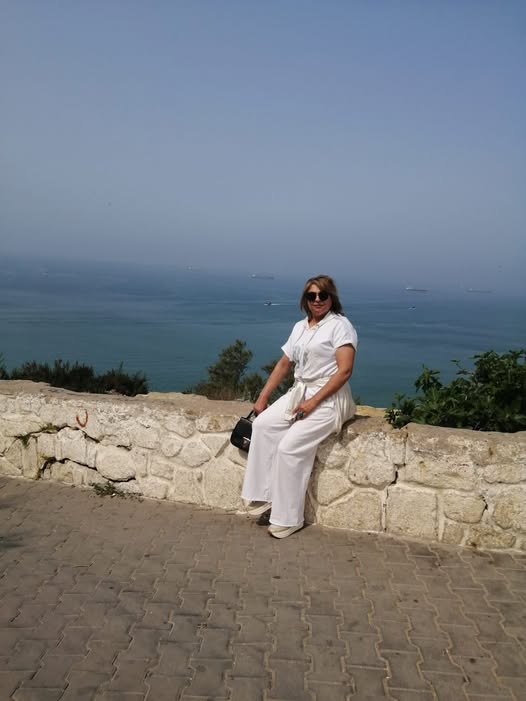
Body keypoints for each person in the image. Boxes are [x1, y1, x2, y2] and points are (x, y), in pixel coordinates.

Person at [241, 274, 358, 538]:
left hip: (328, 398)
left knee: (289, 448)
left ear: (332, 298)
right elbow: (284, 363)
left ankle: (289, 518)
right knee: (263, 425)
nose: (317, 300)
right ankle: (267, 498)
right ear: (305, 299)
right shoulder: (300, 327)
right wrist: (262, 397)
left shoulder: (340, 326)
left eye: (323, 295)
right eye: (311, 295)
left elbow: (345, 370)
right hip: (300, 392)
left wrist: (313, 402)